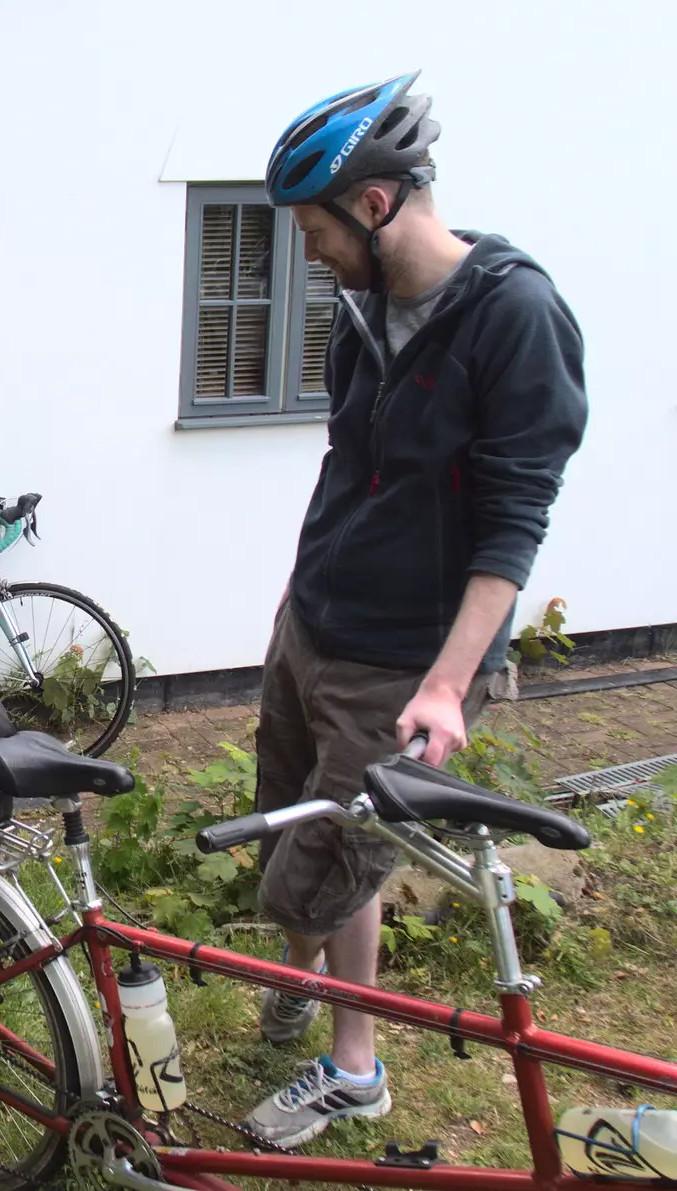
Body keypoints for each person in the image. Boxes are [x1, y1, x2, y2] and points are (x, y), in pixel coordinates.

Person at [244, 70, 587, 1147]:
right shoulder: (364, 313)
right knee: (287, 819)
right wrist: (301, 594)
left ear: (375, 205)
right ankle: (298, 984)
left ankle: (354, 1068)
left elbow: (513, 521)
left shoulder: (514, 317)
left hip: (403, 662)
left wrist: (447, 682)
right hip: (313, 622)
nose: (309, 254)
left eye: (315, 229)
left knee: (339, 860)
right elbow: (352, 470)